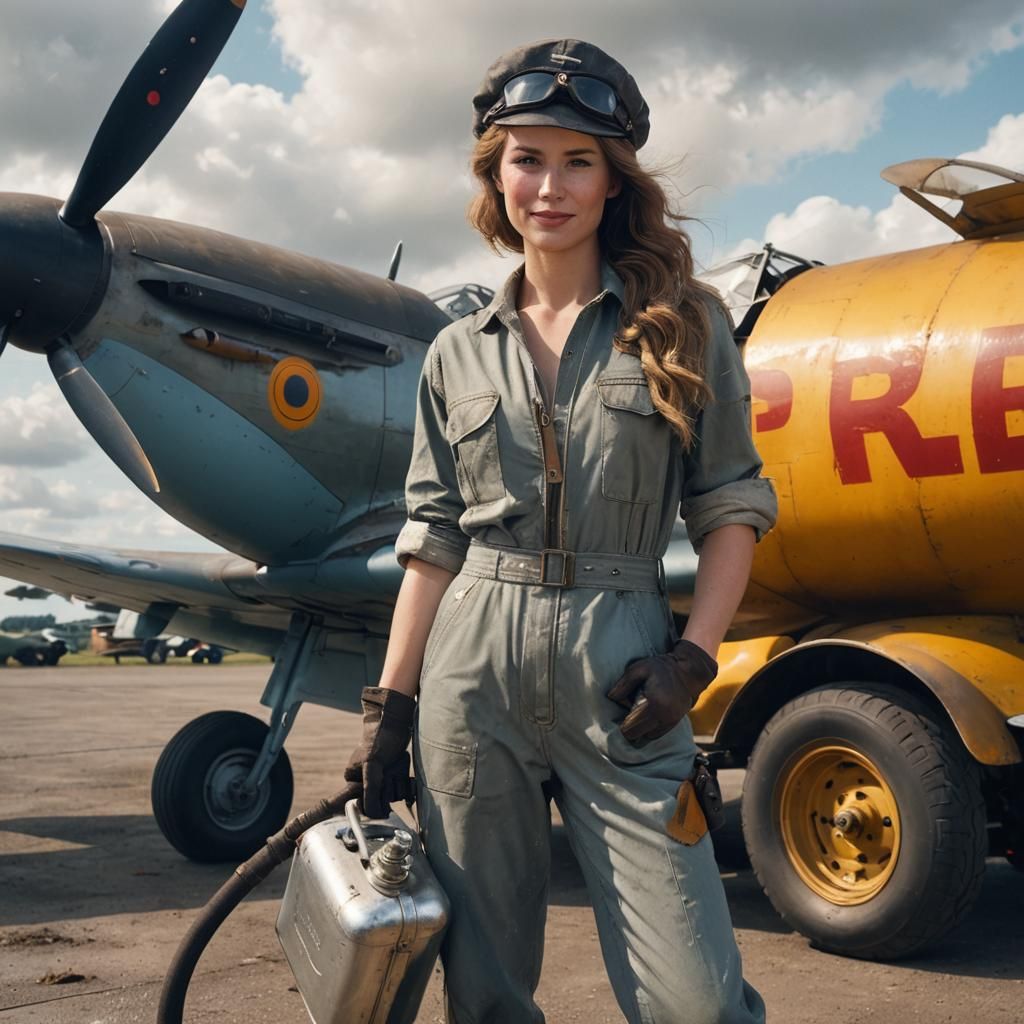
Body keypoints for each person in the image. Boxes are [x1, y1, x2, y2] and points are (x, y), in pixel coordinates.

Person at [344, 38, 778, 1024]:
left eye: (578, 160)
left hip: (626, 675)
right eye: (527, 158)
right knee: (486, 992)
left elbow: (732, 506)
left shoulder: (686, 324)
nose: (550, 184)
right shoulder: (455, 352)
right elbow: (434, 534)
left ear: (613, 180)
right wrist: (391, 703)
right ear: (495, 176)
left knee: (698, 1002)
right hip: (471, 677)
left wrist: (692, 661)